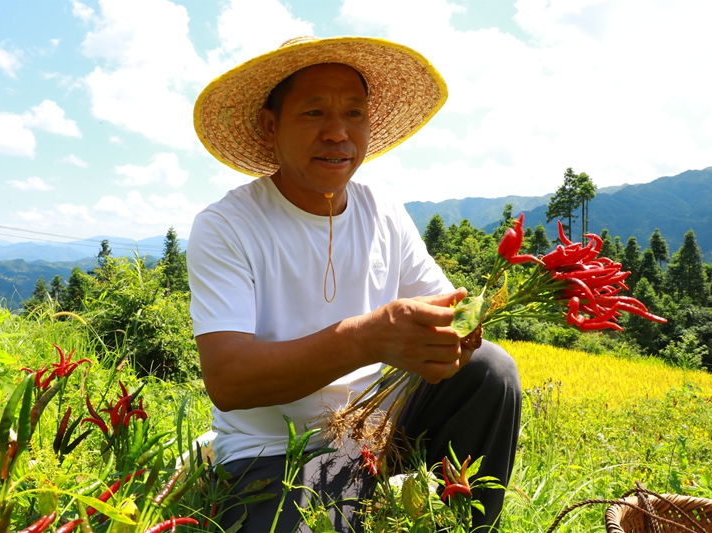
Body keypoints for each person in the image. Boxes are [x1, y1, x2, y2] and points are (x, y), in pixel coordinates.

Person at [188, 36, 521, 532]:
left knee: (490, 370)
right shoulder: (227, 226)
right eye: (314, 113)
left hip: (381, 431)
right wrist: (366, 338)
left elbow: (445, 311)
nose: (337, 133)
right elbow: (228, 380)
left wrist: (457, 332)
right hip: (275, 455)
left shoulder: (381, 210)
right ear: (271, 125)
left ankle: (466, 523)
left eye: (354, 113)